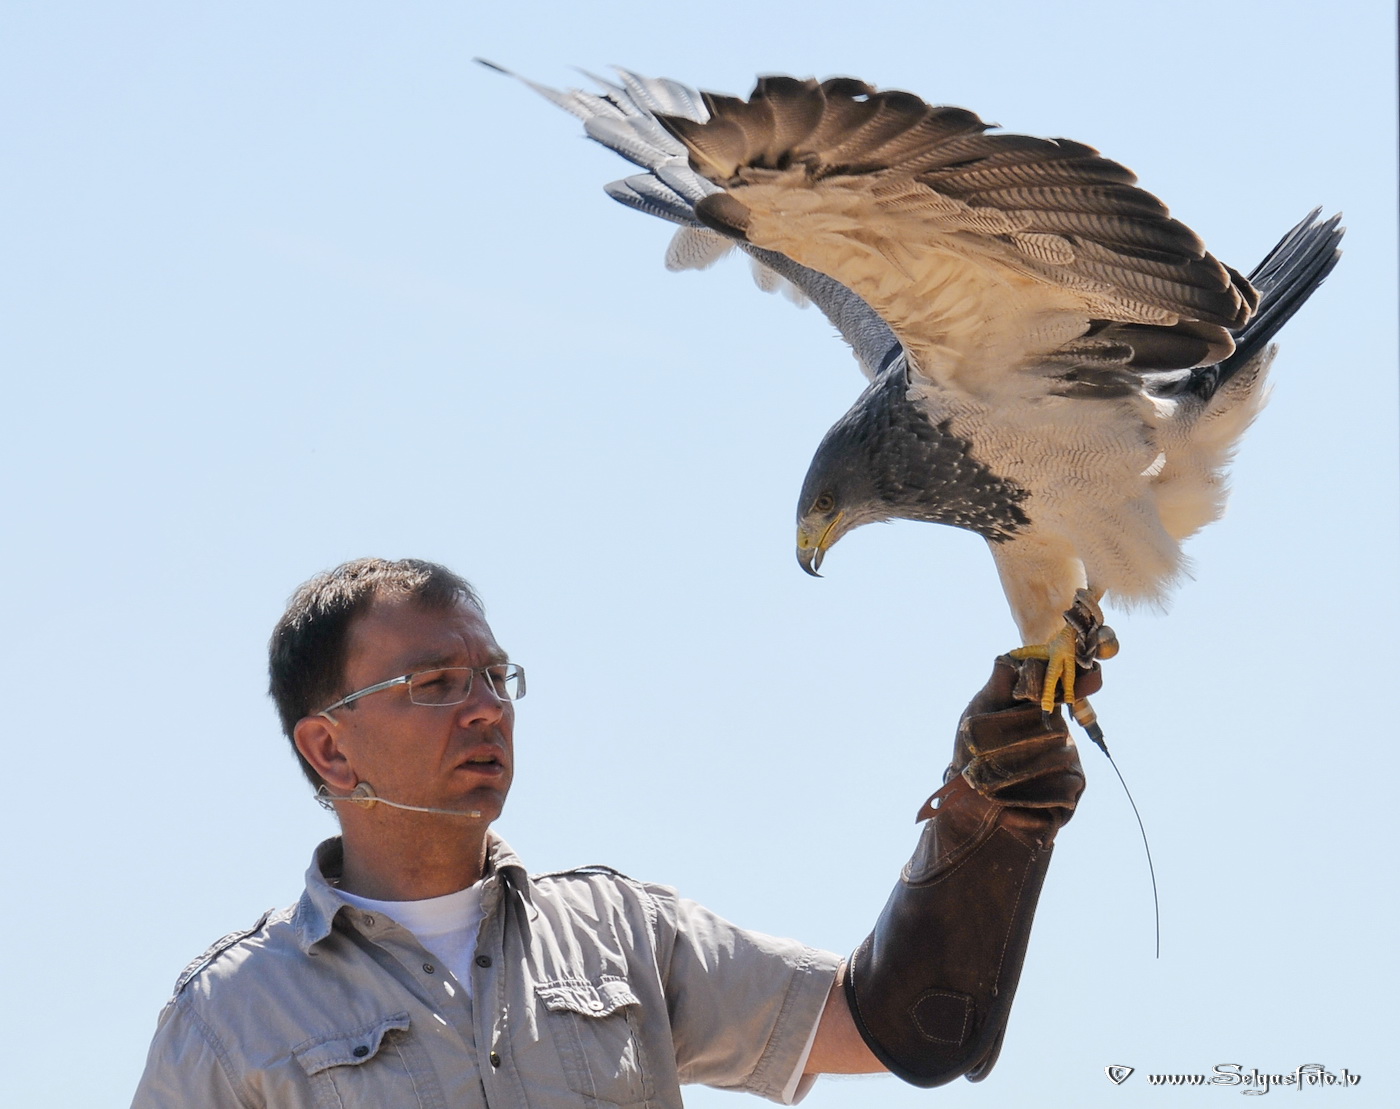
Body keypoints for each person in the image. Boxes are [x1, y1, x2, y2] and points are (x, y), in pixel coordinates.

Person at [132, 557, 1100, 1107]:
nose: (484, 708)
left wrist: (983, 816)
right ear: (330, 750)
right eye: (433, 683)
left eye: (493, 676)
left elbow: (887, 1023)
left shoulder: (622, 932)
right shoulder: (231, 1017)